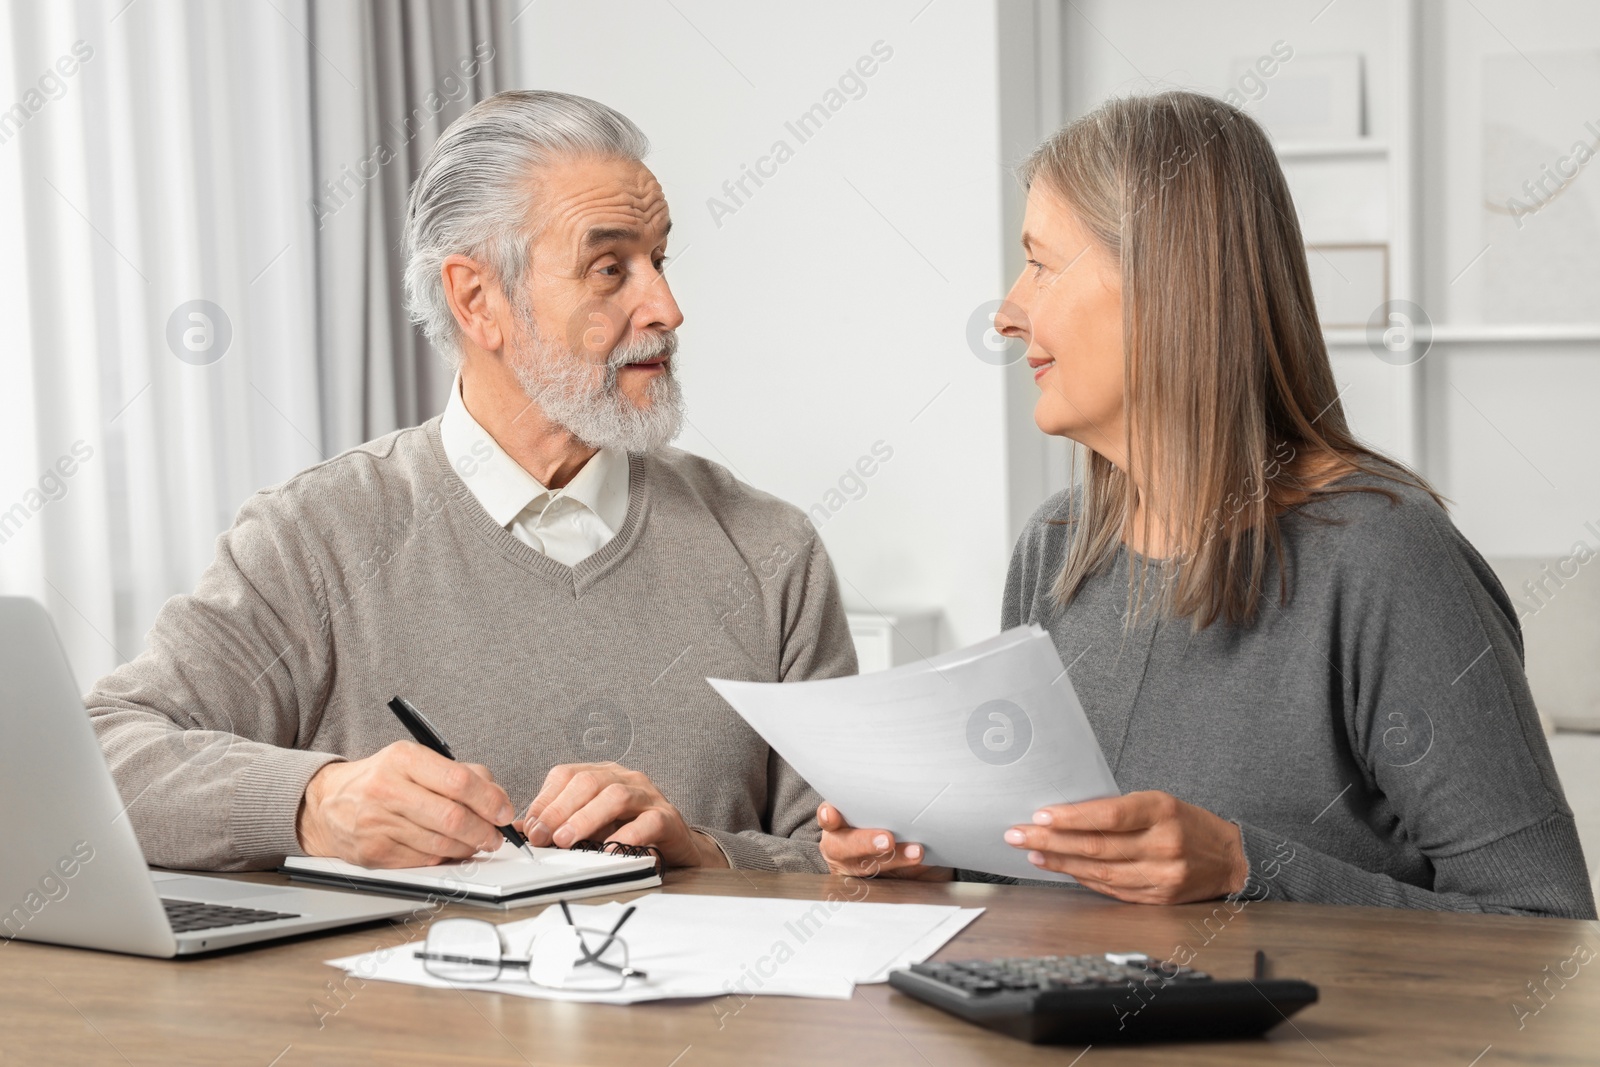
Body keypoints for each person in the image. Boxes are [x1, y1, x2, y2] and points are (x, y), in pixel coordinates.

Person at [818, 91, 1596, 918]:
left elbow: (1550, 934)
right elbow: (1053, 879)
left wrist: (1244, 865)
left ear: (1164, 281)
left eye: (1041, 264)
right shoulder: (1053, 549)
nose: (1007, 313)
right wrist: (933, 860)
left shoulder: (1386, 558)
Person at [87, 91, 854, 873]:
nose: (666, 307)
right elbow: (101, 756)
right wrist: (314, 802)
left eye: (658, 260)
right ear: (478, 300)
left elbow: (853, 866)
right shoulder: (313, 539)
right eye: (609, 268)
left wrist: (702, 854)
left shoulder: (771, 552)